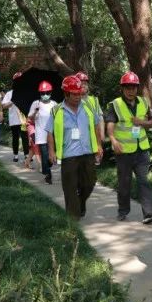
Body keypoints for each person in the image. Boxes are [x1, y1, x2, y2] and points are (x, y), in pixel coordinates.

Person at [104, 71, 152, 223]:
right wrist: (113, 140)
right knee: (124, 183)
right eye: (127, 87)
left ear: (137, 88)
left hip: (141, 150)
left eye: (133, 87)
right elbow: (110, 124)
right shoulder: (115, 104)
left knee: (144, 181)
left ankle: (149, 213)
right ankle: (123, 210)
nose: (131, 91)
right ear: (122, 88)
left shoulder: (144, 102)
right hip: (123, 151)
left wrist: (141, 122)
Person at [52, 75, 104, 217]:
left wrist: (99, 145)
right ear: (66, 94)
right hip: (68, 155)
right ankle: (72, 219)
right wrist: (51, 151)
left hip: (87, 152)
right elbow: (49, 132)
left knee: (89, 183)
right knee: (70, 187)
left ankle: (80, 203)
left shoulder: (88, 107)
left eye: (79, 94)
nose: (78, 97)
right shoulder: (57, 110)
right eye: (74, 94)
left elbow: (96, 126)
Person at [28, 80, 57, 184]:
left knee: (51, 157)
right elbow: (30, 118)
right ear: (40, 93)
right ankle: (48, 175)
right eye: (43, 93)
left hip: (52, 135)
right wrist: (35, 112)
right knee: (44, 155)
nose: (45, 95)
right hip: (41, 135)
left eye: (47, 92)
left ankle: (48, 168)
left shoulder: (54, 104)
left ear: (51, 92)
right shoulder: (36, 103)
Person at [77, 71, 105, 154]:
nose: (83, 85)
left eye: (85, 83)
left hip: (94, 139)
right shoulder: (72, 101)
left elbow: (100, 118)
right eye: (80, 83)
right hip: (77, 142)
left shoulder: (94, 100)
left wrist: (102, 133)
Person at [2, 71, 25, 162]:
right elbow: (3, 106)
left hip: (24, 119)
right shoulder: (9, 93)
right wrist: (12, 101)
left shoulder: (26, 92)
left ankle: (27, 155)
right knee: (15, 138)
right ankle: (16, 155)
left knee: (25, 138)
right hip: (14, 120)